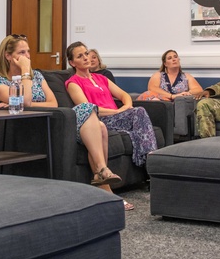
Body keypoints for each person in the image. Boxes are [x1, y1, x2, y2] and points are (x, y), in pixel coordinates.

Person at [0, 34, 121, 189]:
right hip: (35, 127)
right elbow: (26, 100)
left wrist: (23, 102)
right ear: (8, 56)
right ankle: (103, 178)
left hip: (55, 120)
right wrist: (25, 72)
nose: (27, 57)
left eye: (28, 51)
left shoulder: (37, 76)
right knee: (97, 123)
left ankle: (102, 176)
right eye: (21, 53)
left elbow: (53, 103)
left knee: (99, 125)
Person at [66, 42, 158, 208]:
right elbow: (88, 109)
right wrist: (116, 112)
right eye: (80, 56)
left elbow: (124, 95)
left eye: (86, 53)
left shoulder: (101, 78)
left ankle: (150, 161)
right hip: (100, 119)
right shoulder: (73, 83)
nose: (86, 58)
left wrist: (125, 107)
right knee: (138, 113)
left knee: (139, 111)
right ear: (72, 63)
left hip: (116, 116)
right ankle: (150, 165)